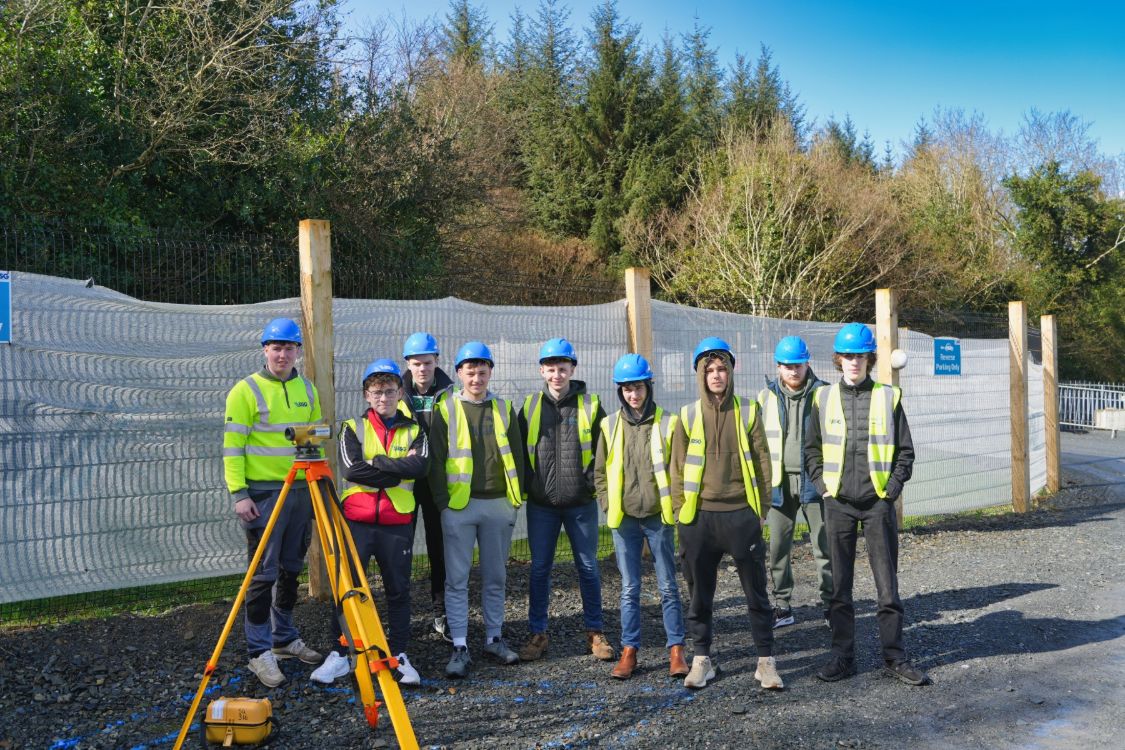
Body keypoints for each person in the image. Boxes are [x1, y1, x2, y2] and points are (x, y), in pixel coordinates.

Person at [804, 322, 930, 686]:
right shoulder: (822, 398)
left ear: (869, 359)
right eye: (848, 356)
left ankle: (894, 658)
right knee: (839, 589)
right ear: (838, 360)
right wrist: (823, 488)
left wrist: (890, 491)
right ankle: (842, 658)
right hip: (838, 503)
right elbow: (810, 450)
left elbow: (905, 452)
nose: (854, 362)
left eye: (860, 356)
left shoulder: (888, 397)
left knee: (887, 588)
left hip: (877, 504)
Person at [670, 337, 783, 691]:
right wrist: (680, 512)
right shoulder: (687, 415)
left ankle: (765, 661)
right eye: (710, 370)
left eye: (722, 369)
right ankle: (701, 660)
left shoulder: (748, 410)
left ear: (731, 372)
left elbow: (763, 462)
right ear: (700, 375)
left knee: (756, 592)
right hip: (699, 518)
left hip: (741, 515)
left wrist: (761, 510)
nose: (716, 375)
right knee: (699, 595)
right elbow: (676, 468)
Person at [310, 359, 429, 686]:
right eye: (377, 392)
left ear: (400, 393)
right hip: (357, 522)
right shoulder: (352, 427)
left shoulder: (415, 429)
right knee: (348, 589)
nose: (383, 398)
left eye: (389, 391)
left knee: (398, 590)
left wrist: (376, 462)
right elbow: (352, 470)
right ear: (366, 395)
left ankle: (399, 654)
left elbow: (420, 468)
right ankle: (341, 653)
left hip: (397, 522)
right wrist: (395, 470)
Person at [223, 317, 323, 688]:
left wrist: (315, 487)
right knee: (262, 573)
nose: (282, 354)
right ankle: (258, 651)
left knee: (291, 568)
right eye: (276, 347)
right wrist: (239, 493)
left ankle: (283, 637)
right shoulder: (245, 391)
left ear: (297, 351)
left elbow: (312, 441)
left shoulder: (307, 389)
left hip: (299, 492)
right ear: (265, 350)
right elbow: (233, 446)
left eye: (289, 347)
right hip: (263, 495)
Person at [428, 341, 526, 678]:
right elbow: (436, 459)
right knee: (456, 580)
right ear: (459, 373)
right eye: (470, 372)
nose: (476, 378)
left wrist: (514, 500)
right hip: (459, 506)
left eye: (482, 371)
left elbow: (517, 455)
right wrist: (443, 504)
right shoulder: (446, 408)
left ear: (490, 372)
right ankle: (459, 645)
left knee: (495, 577)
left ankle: (493, 639)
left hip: (498, 504)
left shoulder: (503, 407)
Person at [518, 338, 614, 664]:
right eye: (551, 369)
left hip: (580, 504)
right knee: (539, 569)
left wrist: (591, 487)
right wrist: (529, 486)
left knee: (588, 568)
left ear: (573, 369)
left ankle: (595, 632)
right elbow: (519, 452)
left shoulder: (591, 405)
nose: (556, 375)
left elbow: (603, 452)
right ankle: (538, 633)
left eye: (562, 368)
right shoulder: (530, 407)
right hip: (541, 505)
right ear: (541, 371)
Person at [594, 354, 688, 679]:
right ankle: (629, 651)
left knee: (668, 586)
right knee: (629, 588)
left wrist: (675, 508)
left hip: (658, 517)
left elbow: (678, 471)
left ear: (649, 387)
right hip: (624, 520)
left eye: (638, 387)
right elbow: (600, 473)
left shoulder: (669, 423)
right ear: (620, 391)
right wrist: (608, 505)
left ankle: (676, 650)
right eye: (627, 389)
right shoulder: (609, 425)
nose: (633, 394)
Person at [757, 336, 832, 629]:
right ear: (778, 366)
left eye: (798, 365)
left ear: (807, 364)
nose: (793, 371)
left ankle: (831, 606)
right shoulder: (765, 397)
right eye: (787, 366)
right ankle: (783, 606)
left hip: (815, 480)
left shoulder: (825, 394)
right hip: (779, 482)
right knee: (778, 548)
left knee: (824, 546)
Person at [401, 332, 455, 641]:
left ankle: (440, 613)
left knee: (439, 550)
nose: (422, 369)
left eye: (428, 363)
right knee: (401, 551)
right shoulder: (396, 393)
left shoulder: (451, 393)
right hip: (405, 484)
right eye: (417, 363)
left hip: (438, 483)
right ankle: (402, 616)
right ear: (408, 364)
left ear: (436, 361)